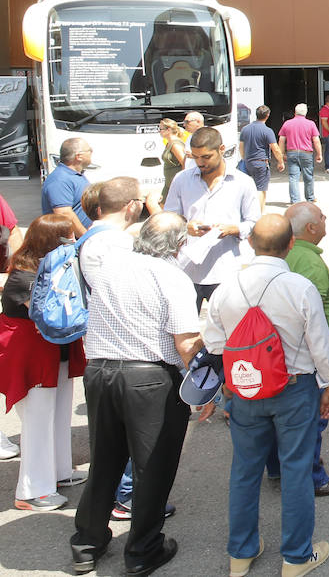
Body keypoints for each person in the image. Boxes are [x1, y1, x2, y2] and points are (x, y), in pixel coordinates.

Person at [204, 215, 329, 577]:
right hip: (294, 390)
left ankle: (241, 554)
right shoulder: (299, 287)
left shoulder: (226, 287)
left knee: (244, 471)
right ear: (291, 244)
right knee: (295, 470)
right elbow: (320, 346)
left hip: (245, 390)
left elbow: (215, 344)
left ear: (250, 242)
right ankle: (296, 558)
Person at [70, 212, 202, 577]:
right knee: (152, 467)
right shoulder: (171, 276)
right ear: (179, 245)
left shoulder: (110, 267)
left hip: (99, 372)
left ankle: (87, 543)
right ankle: (143, 549)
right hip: (147, 378)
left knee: (105, 460)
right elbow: (186, 342)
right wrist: (205, 386)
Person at [0, 214, 86, 511]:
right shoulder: (24, 276)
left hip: (54, 352)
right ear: (52, 242)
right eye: (68, 238)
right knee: (37, 422)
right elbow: (54, 315)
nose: (74, 243)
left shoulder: (47, 268)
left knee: (60, 413)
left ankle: (59, 472)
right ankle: (31, 491)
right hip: (32, 357)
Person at [280, 202, 329, 497]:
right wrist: (328, 376)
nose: (325, 220)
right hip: (309, 362)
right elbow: (312, 320)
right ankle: (313, 476)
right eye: (321, 217)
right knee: (310, 423)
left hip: (295, 358)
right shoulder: (308, 262)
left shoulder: (294, 254)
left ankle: (282, 470)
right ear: (311, 228)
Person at [164, 126, 260, 307]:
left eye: (206, 157)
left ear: (221, 150)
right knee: (184, 331)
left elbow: (254, 221)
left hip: (226, 268)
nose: (200, 163)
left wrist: (234, 229)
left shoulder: (243, 182)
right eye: (195, 157)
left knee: (229, 329)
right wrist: (186, 228)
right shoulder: (181, 179)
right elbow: (169, 219)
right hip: (187, 268)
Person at [41, 137, 92, 238]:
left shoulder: (74, 175)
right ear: (79, 156)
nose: (91, 152)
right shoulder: (60, 180)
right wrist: (86, 237)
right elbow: (64, 214)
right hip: (72, 244)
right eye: (89, 150)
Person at [238, 107, 284, 213]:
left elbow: (241, 146)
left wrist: (244, 158)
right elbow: (275, 148)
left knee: (250, 188)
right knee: (261, 189)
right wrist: (280, 161)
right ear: (267, 115)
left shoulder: (245, 129)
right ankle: (258, 214)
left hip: (248, 162)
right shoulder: (267, 130)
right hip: (261, 162)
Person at [279, 104, 324, 205]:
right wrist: (319, 153)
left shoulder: (287, 123)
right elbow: (316, 140)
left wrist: (282, 154)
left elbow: (281, 140)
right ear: (306, 113)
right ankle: (310, 198)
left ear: (295, 112)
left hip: (292, 153)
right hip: (306, 153)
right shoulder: (311, 124)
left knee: (293, 177)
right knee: (308, 176)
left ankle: (295, 201)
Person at [157, 119, 188, 202]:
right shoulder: (169, 143)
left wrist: (182, 182)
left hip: (176, 183)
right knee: (163, 205)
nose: (159, 131)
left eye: (161, 129)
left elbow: (185, 163)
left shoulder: (175, 145)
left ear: (168, 130)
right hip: (169, 182)